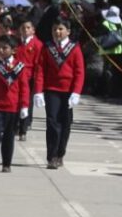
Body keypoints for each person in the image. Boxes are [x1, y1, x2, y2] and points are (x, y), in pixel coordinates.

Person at [33, 18, 85, 169]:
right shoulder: (47, 47)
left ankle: (61, 153)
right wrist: (38, 91)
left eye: (61, 29)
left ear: (68, 31)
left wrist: (76, 92)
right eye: (55, 29)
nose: (57, 32)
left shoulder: (74, 48)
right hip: (52, 90)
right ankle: (52, 156)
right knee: (52, 122)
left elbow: (79, 72)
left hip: (68, 91)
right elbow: (40, 70)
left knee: (66, 124)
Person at [0, 34, 29, 173]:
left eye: (4, 48)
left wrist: (24, 105)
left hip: (13, 107)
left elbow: (24, 87)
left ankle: (6, 164)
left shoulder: (20, 67)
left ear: (13, 50)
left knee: (9, 137)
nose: (1, 50)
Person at [15, 17, 43, 141]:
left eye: (28, 28)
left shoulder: (37, 44)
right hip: (16, 76)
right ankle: (16, 124)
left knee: (27, 102)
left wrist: (37, 80)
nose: (25, 30)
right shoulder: (16, 43)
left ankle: (25, 125)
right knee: (16, 100)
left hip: (29, 77)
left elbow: (38, 64)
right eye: (23, 28)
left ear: (33, 30)